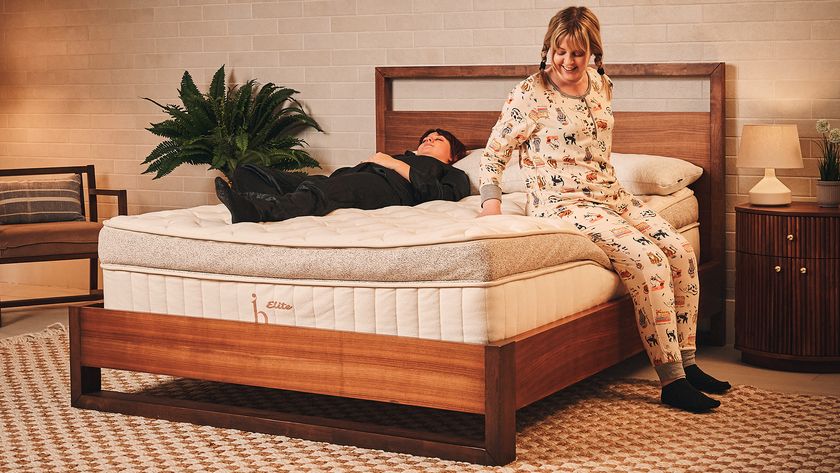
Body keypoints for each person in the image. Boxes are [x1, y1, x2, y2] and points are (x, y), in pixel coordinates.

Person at [477, 6, 730, 413]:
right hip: (561, 204)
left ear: (593, 52)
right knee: (647, 259)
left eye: (578, 53)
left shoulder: (601, 84)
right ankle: (672, 381)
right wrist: (491, 203)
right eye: (560, 51)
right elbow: (493, 155)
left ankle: (689, 362)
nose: (568, 61)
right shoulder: (529, 94)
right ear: (548, 49)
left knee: (680, 252)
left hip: (611, 194)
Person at [215, 129, 470, 223]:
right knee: (246, 170)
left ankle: (257, 211)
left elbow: (441, 196)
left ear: (453, 155)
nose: (429, 140)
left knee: (324, 193)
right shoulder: (401, 155)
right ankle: (269, 203)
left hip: (385, 188)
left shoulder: (453, 172)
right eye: (426, 138)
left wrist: (392, 163)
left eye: (438, 140)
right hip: (343, 179)